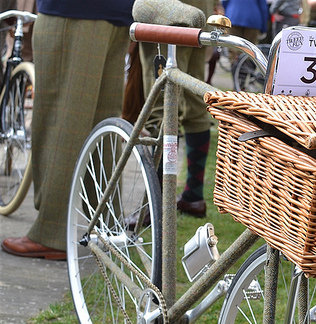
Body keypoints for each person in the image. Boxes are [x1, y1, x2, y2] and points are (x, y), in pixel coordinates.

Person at [1, 0, 134, 260]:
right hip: (117, 12)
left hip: (72, 8)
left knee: (60, 120)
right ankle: (106, 225)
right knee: (100, 124)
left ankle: (52, 232)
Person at [135, 0, 217, 218]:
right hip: (201, 9)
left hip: (168, 10)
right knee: (194, 100)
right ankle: (193, 196)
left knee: (162, 106)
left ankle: (156, 205)